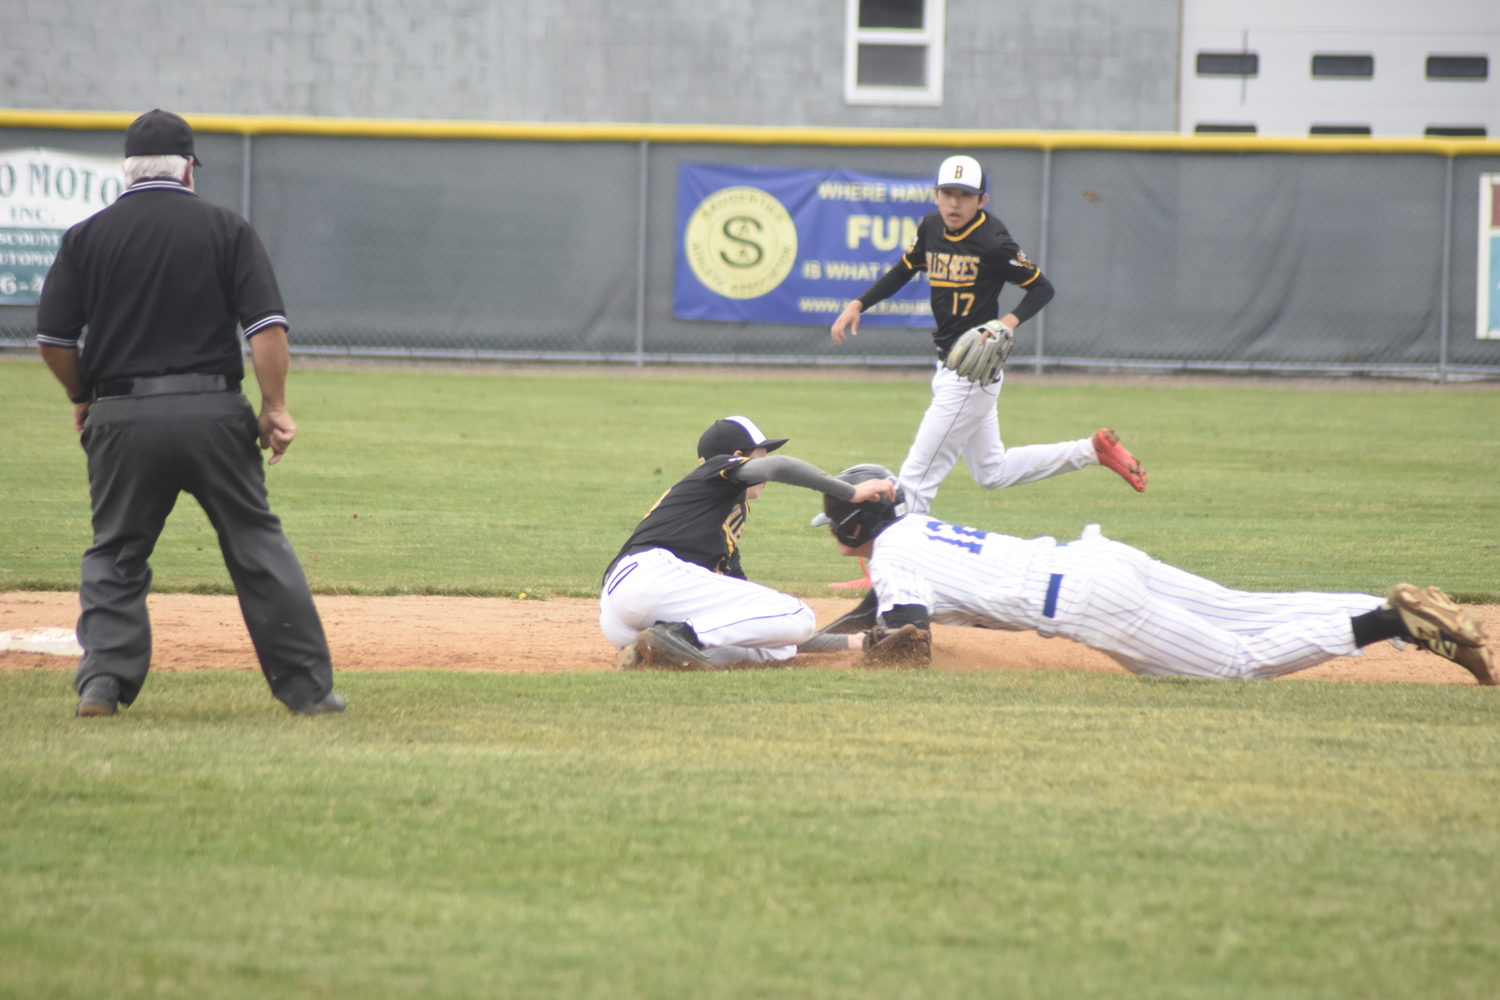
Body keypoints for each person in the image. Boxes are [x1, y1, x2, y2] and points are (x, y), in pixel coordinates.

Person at [35, 109, 344, 717]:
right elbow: (267, 332)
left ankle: (102, 683)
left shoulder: (86, 236)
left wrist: (83, 398)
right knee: (256, 544)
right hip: (212, 411)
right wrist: (274, 407)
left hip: (121, 414)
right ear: (189, 170)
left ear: (126, 171)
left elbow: (53, 340)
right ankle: (308, 693)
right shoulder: (226, 229)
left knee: (116, 551)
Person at [806, 465, 1495, 684]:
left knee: (1236, 664)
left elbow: (907, 639)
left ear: (849, 530)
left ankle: (1390, 621)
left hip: (1086, 601)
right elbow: (892, 607)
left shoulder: (893, 562)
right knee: (1244, 608)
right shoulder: (917, 528)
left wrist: (830, 652)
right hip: (1097, 557)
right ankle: (1412, 616)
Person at [829, 154, 1146, 516]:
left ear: (982, 200)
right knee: (991, 471)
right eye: (948, 193)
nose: (954, 202)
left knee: (915, 481)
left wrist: (1005, 323)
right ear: (936, 196)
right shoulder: (931, 227)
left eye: (965, 195)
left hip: (971, 373)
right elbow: (904, 269)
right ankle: (1091, 450)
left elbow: (1042, 288)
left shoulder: (993, 241)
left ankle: (891, 570)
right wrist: (859, 303)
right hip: (948, 365)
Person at [601, 416, 895, 670]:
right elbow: (778, 467)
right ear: (739, 456)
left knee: (773, 648)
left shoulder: (720, 520)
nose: (764, 464)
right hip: (649, 577)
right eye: (760, 455)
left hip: (625, 615)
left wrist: (850, 643)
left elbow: (755, 623)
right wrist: (848, 492)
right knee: (798, 614)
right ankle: (677, 637)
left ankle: (645, 653)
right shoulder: (716, 471)